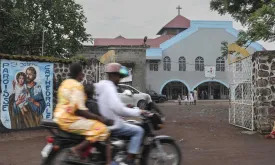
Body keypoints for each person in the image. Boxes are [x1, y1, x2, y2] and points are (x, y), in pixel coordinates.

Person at [53, 63, 115, 165]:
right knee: (102, 129)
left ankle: (85, 155)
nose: (83, 75)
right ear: (79, 74)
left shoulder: (65, 83)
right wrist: (99, 118)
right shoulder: (77, 86)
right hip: (69, 120)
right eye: (82, 72)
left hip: (59, 116)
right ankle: (77, 149)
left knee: (92, 124)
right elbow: (80, 110)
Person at [95, 63, 149, 165]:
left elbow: (112, 105)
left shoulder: (102, 84)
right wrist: (138, 111)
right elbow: (118, 109)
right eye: (119, 76)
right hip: (112, 124)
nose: (119, 79)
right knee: (138, 130)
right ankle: (129, 159)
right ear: (114, 75)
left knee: (130, 123)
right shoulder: (110, 88)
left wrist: (126, 107)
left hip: (104, 122)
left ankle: (122, 152)